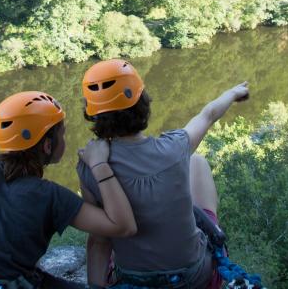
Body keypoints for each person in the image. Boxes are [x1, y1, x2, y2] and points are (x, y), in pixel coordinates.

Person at [0, 91, 137, 289]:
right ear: (46, 146)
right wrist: (99, 165)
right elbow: (123, 226)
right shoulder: (50, 195)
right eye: (62, 134)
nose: (64, 140)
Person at [76, 59, 249, 288]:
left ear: (93, 115)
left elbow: (100, 240)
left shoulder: (90, 167)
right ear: (143, 103)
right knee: (196, 162)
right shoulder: (175, 147)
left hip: (136, 280)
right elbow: (207, 115)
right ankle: (211, 231)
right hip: (195, 277)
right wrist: (233, 92)